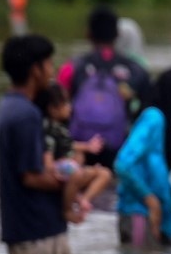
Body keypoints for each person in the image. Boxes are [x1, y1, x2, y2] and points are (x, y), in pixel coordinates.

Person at [0, 34, 75, 254]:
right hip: (37, 231)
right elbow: (31, 177)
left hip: (24, 228)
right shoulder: (26, 115)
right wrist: (73, 183)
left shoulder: (9, 105)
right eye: (49, 64)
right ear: (35, 70)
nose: (52, 70)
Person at [114, 66, 171, 248]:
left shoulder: (158, 119)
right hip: (139, 213)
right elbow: (123, 164)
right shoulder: (154, 118)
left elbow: (150, 168)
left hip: (149, 214)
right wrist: (150, 200)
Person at [57, 5, 151, 171]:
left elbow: (56, 110)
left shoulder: (71, 68)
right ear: (117, 35)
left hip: (79, 151)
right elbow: (145, 116)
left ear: (88, 33)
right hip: (120, 152)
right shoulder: (137, 71)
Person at [35, 82, 113, 223]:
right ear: (53, 109)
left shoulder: (62, 128)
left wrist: (88, 146)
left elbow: (70, 145)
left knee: (104, 174)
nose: (70, 107)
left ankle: (83, 200)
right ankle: (68, 210)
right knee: (76, 170)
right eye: (65, 104)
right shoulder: (48, 128)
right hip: (58, 168)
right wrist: (52, 168)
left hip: (69, 167)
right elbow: (48, 155)